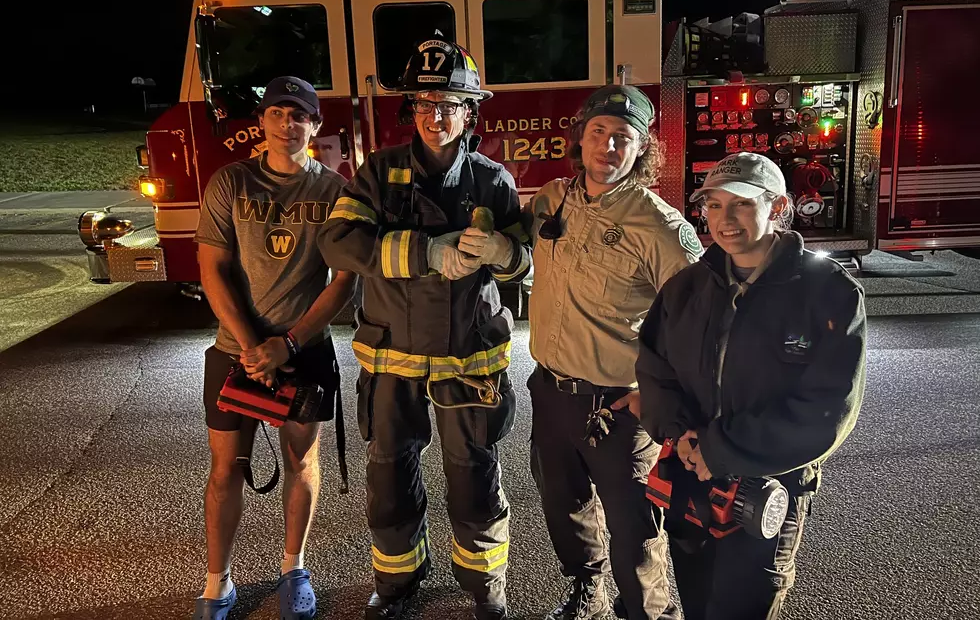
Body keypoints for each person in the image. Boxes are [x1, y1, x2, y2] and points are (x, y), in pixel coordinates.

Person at [322, 33, 530, 620]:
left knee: (473, 475)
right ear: (410, 111)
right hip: (395, 360)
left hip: (470, 358)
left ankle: (484, 583)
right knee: (390, 475)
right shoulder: (377, 172)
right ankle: (397, 581)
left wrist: (501, 251)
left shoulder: (493, 179)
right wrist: (424, 253)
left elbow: (524, 259)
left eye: (450, 106)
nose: (437, 118)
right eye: (425, 105)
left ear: (470, 112)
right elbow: (337, 242)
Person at [636, 152, 867, 620]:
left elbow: (827, 409)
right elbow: (655, 368)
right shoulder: (685, 287)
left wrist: (720, 450)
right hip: (691, 477)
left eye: (741, 204)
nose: (725, 219)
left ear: (778, 207)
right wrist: (679, 435)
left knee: (745, 607)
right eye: (715, 206)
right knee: (699, 602)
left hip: (768, 484)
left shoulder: (828, 292)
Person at [526, 85, 701, 620]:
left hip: (619, 406)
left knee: (634, 524)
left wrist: (657, 393)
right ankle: (587, 589)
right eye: (598, 133)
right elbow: (515, 254)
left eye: (623, 138)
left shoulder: (660, 227)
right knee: (564, 503)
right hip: (551, 389)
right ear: (580, 137)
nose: (607, 147)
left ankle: (648, 612)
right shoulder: (552, 199)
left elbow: (698, 323)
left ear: (641, 149)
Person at [193, 76, 357, 620]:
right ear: (261, 122)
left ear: (316, 126)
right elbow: (211, 270)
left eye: (300, 115)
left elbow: (343, 281)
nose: (289, 124)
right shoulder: (231, 182)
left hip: (303, 351)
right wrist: (251, 348)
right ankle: (218, 581)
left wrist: (286, 345)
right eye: (278, 113)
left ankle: (294, 568)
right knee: (225, 470)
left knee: (299, 460)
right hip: (233, 352)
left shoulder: (334, 190)